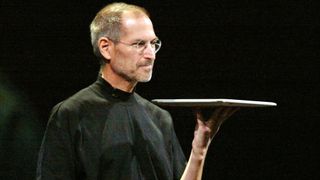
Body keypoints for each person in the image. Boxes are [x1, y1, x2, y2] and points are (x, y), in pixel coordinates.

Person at [36, 2, 238, 180]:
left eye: (153, 44)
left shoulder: (159, 118)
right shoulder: (72, 113)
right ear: (106, 48)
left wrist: (199, 150)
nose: (151, 55)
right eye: (139, 44)